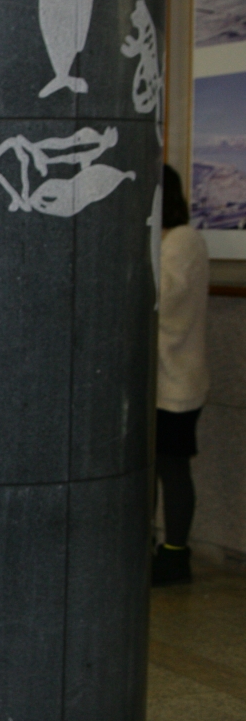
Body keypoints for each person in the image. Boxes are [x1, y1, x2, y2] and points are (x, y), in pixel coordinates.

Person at [153, 164, 208, 586]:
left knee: (172, 468)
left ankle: (176, 552)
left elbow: (165, 297)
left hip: (176, 380)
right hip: (156, 380)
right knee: (152, 468)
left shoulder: (183, 239)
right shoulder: (165, 239)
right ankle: (155, 545)